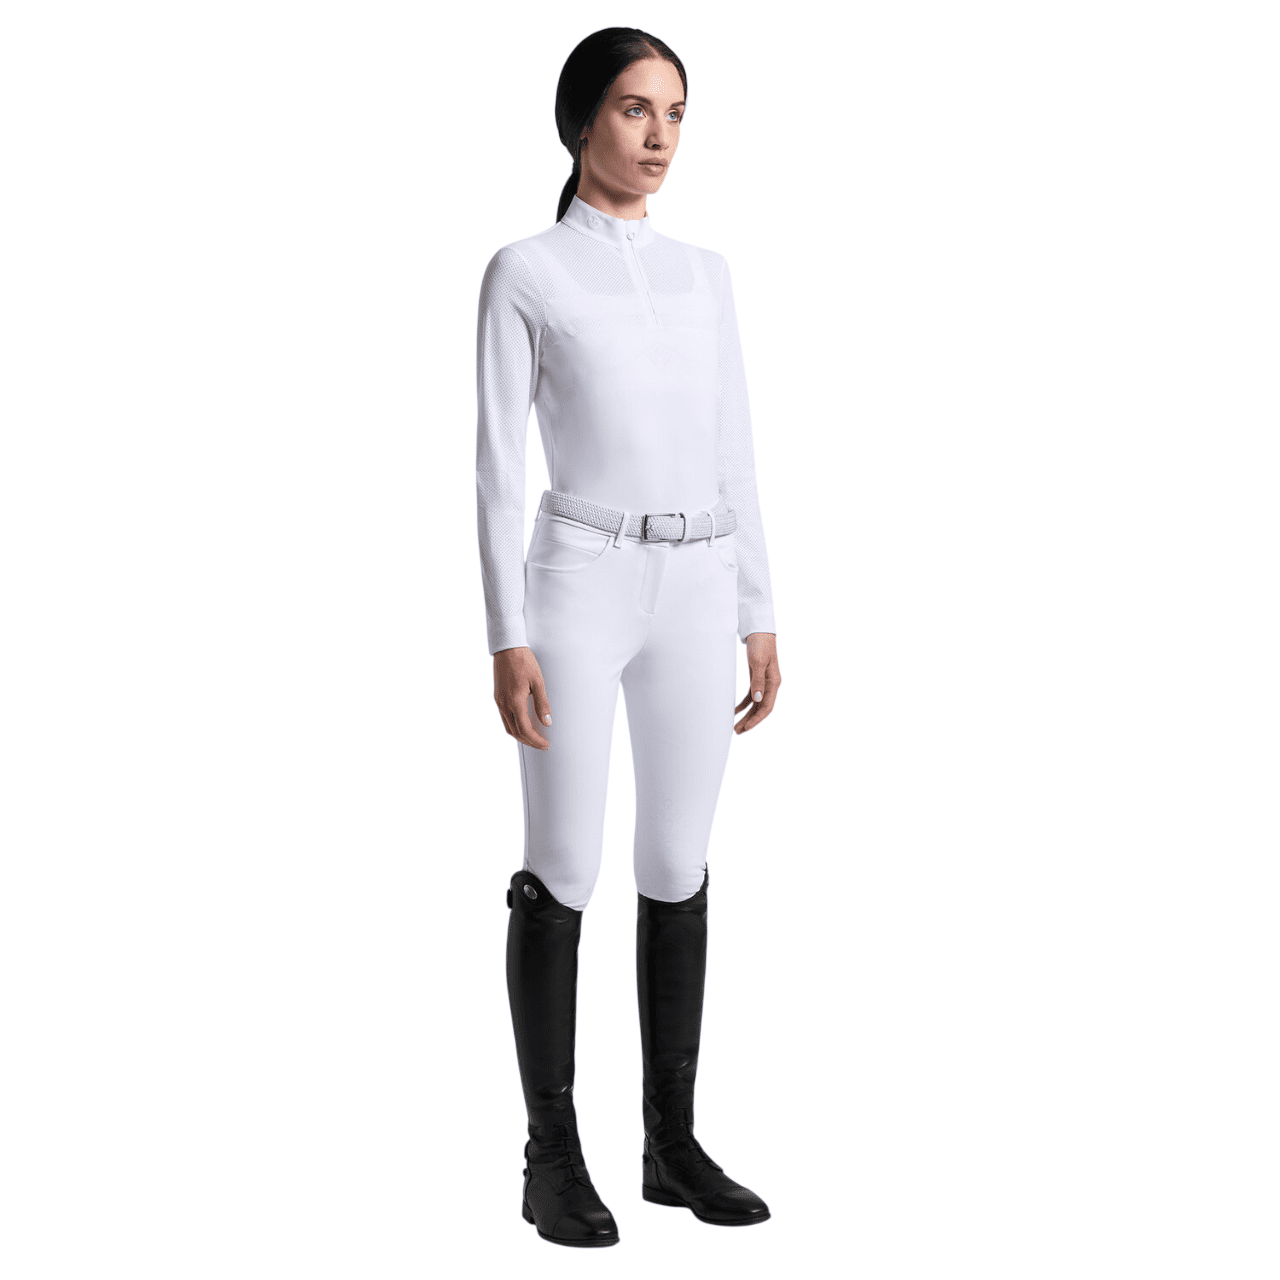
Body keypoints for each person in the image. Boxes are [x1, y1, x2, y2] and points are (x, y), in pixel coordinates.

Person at [475, 27, 781, 1248]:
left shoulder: (705, 274)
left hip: (698, 579)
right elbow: (497, 466)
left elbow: (733, 445)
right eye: (632, 109)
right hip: (578, 579)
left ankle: (670, 1140)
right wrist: (505, 631)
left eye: (675, 113)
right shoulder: (526, 271)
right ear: (578, 122)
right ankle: (551, 1155)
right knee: (564, 861)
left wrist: (757, 605)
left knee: (676, 858)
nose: (657, 136)